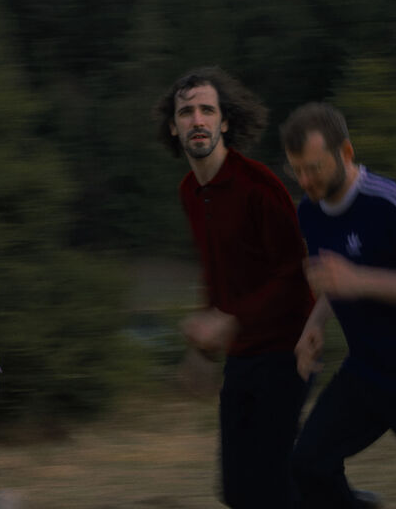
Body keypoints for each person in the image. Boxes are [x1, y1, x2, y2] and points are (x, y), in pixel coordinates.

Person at [282, 102, 396, 509]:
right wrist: (315, 323)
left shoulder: (387, 201)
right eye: (297, 170)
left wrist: (358, 280)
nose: (306, 181)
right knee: (308, 465)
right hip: (366, 373)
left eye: (315, 168)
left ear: (346, 152)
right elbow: (336, 277)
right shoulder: (309, 212)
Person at [155, 67, 314, 509]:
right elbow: (218, 276)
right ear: (173, 127)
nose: (197, 120)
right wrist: (204, 349)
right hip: (243, 355)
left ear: (225, 122)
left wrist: (230, 321)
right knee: (237, 490)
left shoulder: (259, 186)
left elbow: (295, 276)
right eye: (186, 112)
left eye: (208, 110)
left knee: (275, 487)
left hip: (289, 351)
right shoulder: (191, 191)